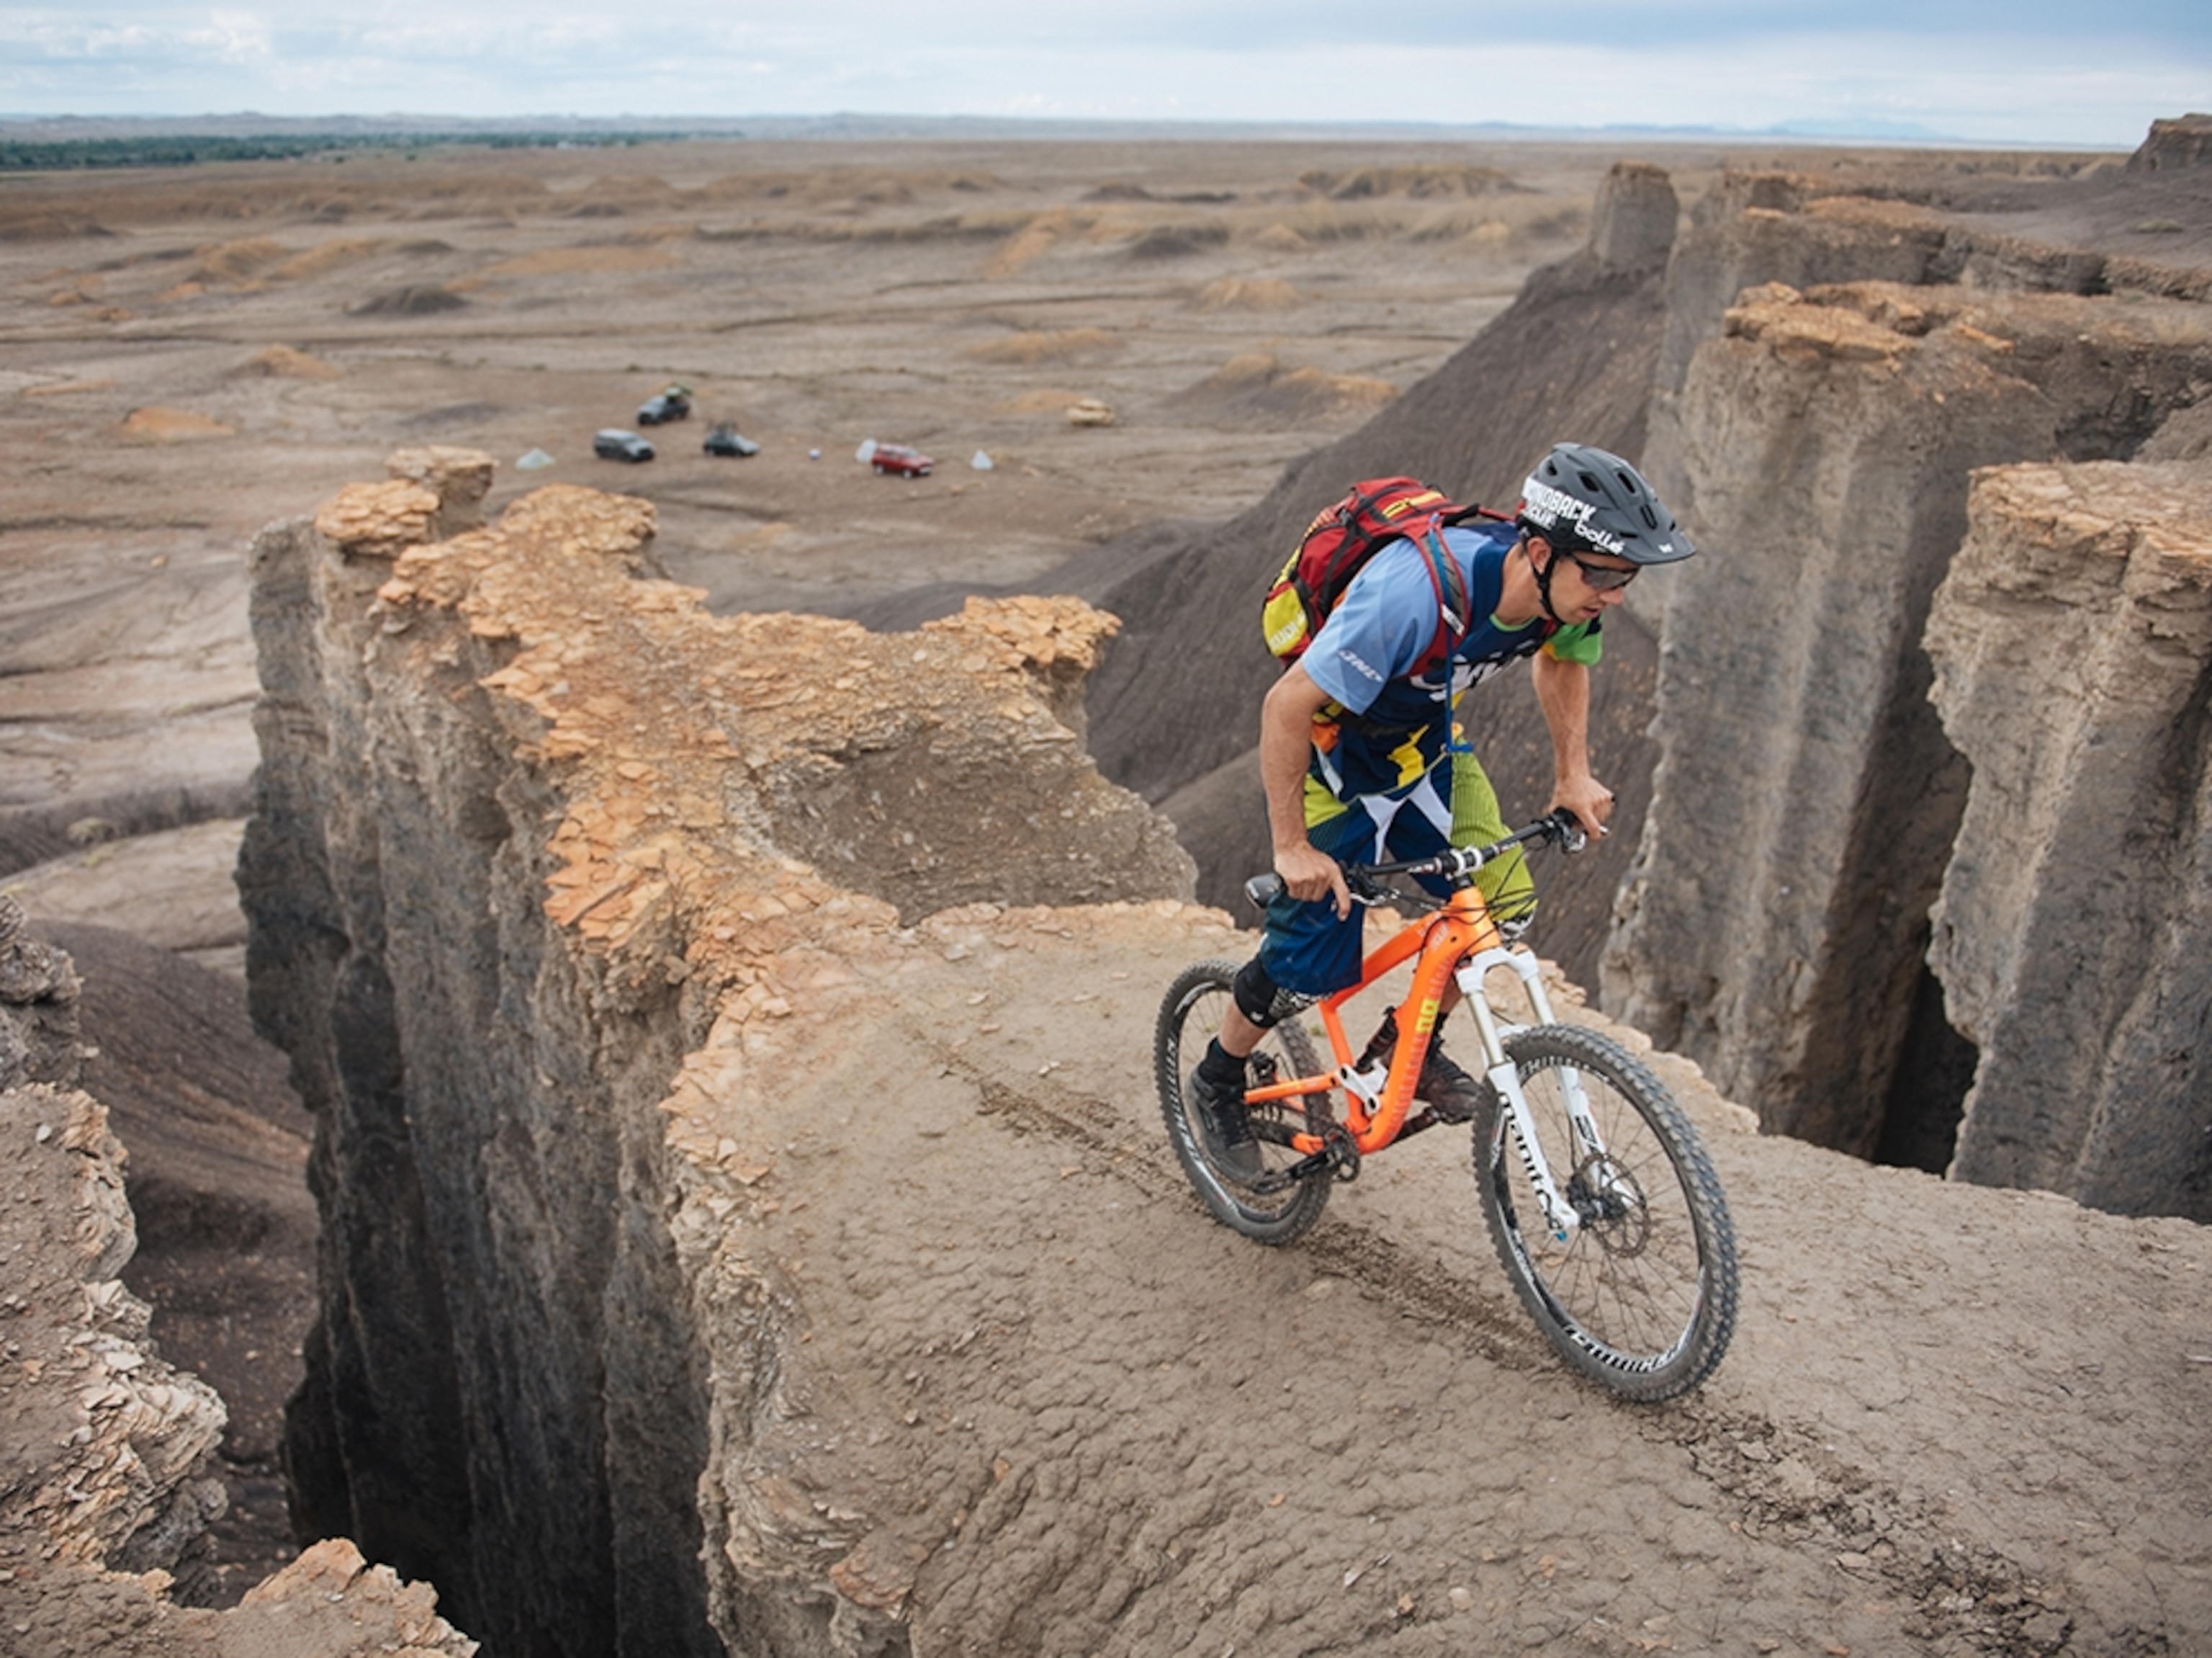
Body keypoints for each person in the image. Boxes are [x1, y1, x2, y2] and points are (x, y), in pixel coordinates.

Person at [1192, 442, 1696, 1177]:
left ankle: (1410, 1047)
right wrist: (1292, 847)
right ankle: (1217, 1078)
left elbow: (1564, 659)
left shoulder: (1566, 597)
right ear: (1539, 552)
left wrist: (1573, 774)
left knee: (1499, 905)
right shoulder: (1414, 594)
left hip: (1421, 745)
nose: (1616, 594)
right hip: (1332, 759)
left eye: (1628, 576)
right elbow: (1287, 706)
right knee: (1304, 968)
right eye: (1605, 573)